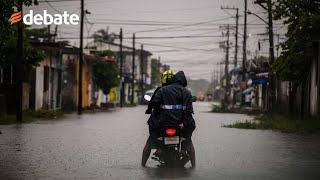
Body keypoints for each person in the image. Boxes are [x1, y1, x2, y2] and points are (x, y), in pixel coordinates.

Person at [151, 71, 196, 167]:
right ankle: (193, 165)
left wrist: (159, 119)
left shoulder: (162, 90)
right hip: (180, 125)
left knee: (152, 133)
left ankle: (158, 148)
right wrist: (184, 123)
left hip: (163, 123)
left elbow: (155, 104)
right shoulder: (186, 92)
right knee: (188, 139)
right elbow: (188, 111)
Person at [141, 70, 176, 167]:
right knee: (188, 142)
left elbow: (153, 103)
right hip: (178, 123)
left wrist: (149, 110)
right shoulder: (181, 90)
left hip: (160, 123)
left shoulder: (160, 90)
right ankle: (193, 165)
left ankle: (143, 166)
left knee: (149, 143)